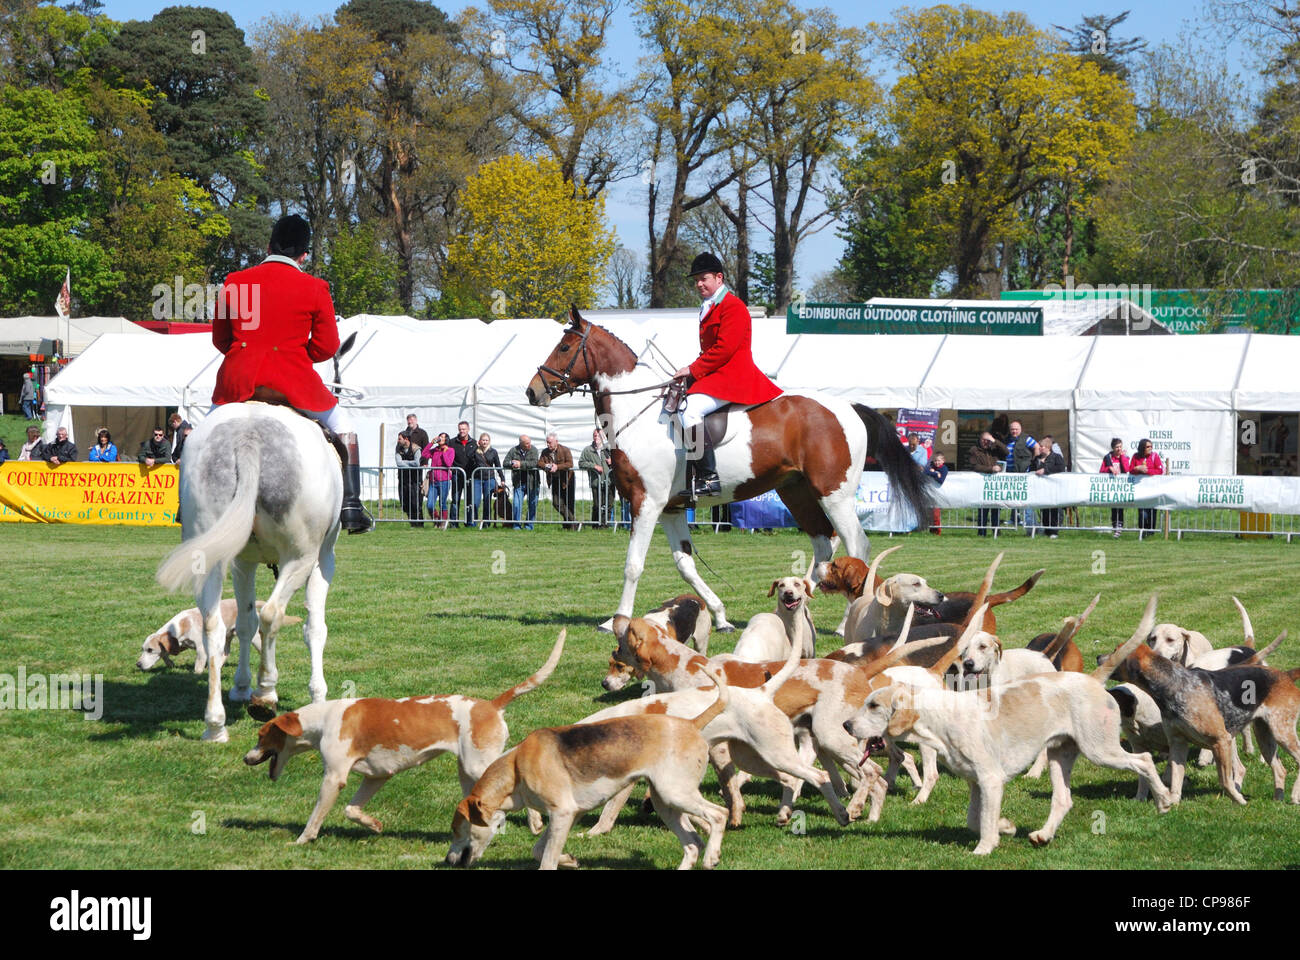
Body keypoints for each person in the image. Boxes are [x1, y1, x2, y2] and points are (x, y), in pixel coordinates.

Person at [211, 214, 371, 533]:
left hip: (238, 382)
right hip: (293, 383)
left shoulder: (235, 282)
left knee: (201, 432)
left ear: (268, 245)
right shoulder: (315, 287)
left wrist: (247, 353)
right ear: (304, 254)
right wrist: (297, 356)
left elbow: (221, 339)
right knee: (345, 428)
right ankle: (351, 505)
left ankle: (184, 504)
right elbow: (327, 347)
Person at [672, 252, 783, 499]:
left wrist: (693, 369)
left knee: (689, 410)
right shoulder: (710, 306)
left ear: (719, 278)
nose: (699, 284)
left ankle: (709, 478)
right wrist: (690, 372)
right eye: (696, 280)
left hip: (734, 375)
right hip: (718, 373)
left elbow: (725, 348)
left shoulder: (732, 306)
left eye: (704, 278)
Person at [967, 430, 1007, 535]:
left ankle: (996, 531)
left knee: (996, 508)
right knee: (983, 509)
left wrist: (994, 441)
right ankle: (982, 531)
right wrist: (991, 469)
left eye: (987, 440)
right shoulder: (974, 450)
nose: (985, 442)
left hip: (995, 484)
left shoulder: (994, 448)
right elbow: (975, 466)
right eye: (983, 440)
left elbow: (1006, 452)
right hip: (982, 483)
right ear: (979, 440)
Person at [539, 432, 576, 529]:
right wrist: (547, 466)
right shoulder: (545, 452)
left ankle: (569, 526)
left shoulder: (565, 450)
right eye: (547, 442)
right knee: (557, 503)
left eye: (550, 442)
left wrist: (557, 467)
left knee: (569, 503)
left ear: (556, 442)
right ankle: (574, 521)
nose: (548, 444)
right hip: (555, 480)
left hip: (567, 479)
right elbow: (539, 463)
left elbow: (570, 464)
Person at [1031, 433, 1066, 538]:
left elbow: (1060, 468)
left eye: (1042, 446)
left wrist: (1046, 470)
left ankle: (1054, 531)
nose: (1040, 448)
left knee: (1054, 509)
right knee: (1044, 509)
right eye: (1040, 446)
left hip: (1053, 488)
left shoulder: (1056, 457)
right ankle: (1046, 529)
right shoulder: (1037, 458)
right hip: (1041, 489)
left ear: (1048, 447)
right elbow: (1031, 469)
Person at [579, 428, 615, 527]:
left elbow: (620, 461)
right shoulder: (588, 450)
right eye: (595, 435)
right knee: (597, 505)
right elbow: (581, 463)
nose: (596, 438)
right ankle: (595, 525)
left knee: (609, 505)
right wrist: (594, 466)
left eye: (599, 436)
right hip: (596, 482)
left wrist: (613, 461)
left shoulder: (609, 449)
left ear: (603, 437)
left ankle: (605, 525)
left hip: (609, 481)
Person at [469, 432, 505, 527]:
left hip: (489, 479)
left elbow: (498, 465)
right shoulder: (476, 451)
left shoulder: (493, 452)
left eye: (486, 440)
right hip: (477, 479)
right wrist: (476, 447)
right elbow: (469, 456)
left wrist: (502, 478)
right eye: (483, 440)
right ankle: (473, 522)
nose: (484, 442)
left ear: (489, 441)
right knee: (475, 502)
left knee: (487, 502)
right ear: (479, 441)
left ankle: (486, 523)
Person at [1130, 437, 1164, 535]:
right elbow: (1130, 469)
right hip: (1140, 489)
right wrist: (1137, 468)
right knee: (1142, 512)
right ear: (1142, 447)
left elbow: (1159, 471)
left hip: (1153, 489)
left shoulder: (1155, 456)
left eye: (1151, 446)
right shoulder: (1136, 456)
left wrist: (1147, 470)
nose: (1150, 448)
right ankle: (1142, 532)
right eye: (1148, 446)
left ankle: (1151, 532)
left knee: (1152, 511)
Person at [504, 434, 540, 530]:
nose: (529, 445)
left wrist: (520, 464)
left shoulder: (534, 450)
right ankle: (516, 525)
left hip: (533, 482)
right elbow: (505, 462)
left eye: (529, 443)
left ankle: (529, 525)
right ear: (521, 444)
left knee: (532, 504)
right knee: (516, 504)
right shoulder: (513, 450)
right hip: (518, 482)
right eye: (526, 443)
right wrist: (512, 463)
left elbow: (534, 463)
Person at [423, 431, 455, 529]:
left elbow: (449, 464)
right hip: (434, 481)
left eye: (442, 437)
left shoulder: (450, 450)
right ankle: (436, 519)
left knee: (442, 503)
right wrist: (431, 443)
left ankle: (443, 523)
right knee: (430, 504)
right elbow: (424, 454)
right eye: (439, 436)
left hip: (444, 481)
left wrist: (444, 452)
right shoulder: (435, 450)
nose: (440, 438)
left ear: (446, 440)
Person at [1100, 436, 1130, 538]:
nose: (1119, 449)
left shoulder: (1125, 457)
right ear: (1113, 448)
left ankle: (1119, 527)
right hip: (1111, 486)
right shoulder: (1108, 457)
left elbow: (1126, 469)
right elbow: (1101, 471)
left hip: (1122, 486)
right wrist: (1110, 469)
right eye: (1117, 447)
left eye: (1120, 446)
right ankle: (1114, 526)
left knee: (1120, 507)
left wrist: (1122, 457)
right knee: (1113, 508)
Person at [394, 430, 424, 527]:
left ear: (406, 439)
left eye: (400, 438)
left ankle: (419, 524)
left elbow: (417, 463)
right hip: (403, 480)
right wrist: (409, 463)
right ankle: (412, 523)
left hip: (415, 480)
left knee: (416, 503)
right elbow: (399, 463)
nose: (398, 441)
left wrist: (404, 462)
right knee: (405, 503)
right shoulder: (398, 448)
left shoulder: (416, 449)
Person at [448, 420, 475, 527]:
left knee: (470, 500)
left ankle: (469, 522)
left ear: (468, 429)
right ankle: (454, 523)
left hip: (470, 476)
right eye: (460, 429)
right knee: (455, 499)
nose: (462, 431)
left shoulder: (474, 443)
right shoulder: (452, 442)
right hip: (457, 475)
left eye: (464, 429)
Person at [925, 452, 947, 534]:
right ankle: (931, 531)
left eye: (938, 461)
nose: (937, 462)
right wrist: (935, 473)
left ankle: (937, 532)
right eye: (935, 461)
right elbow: (925, 472)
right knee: (930, 514)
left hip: (938, 494)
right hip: (930, 493)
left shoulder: (944, 469)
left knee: (936, 514)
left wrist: (933, 474)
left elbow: (940, 481)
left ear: (943, 461)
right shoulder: (932, 466)